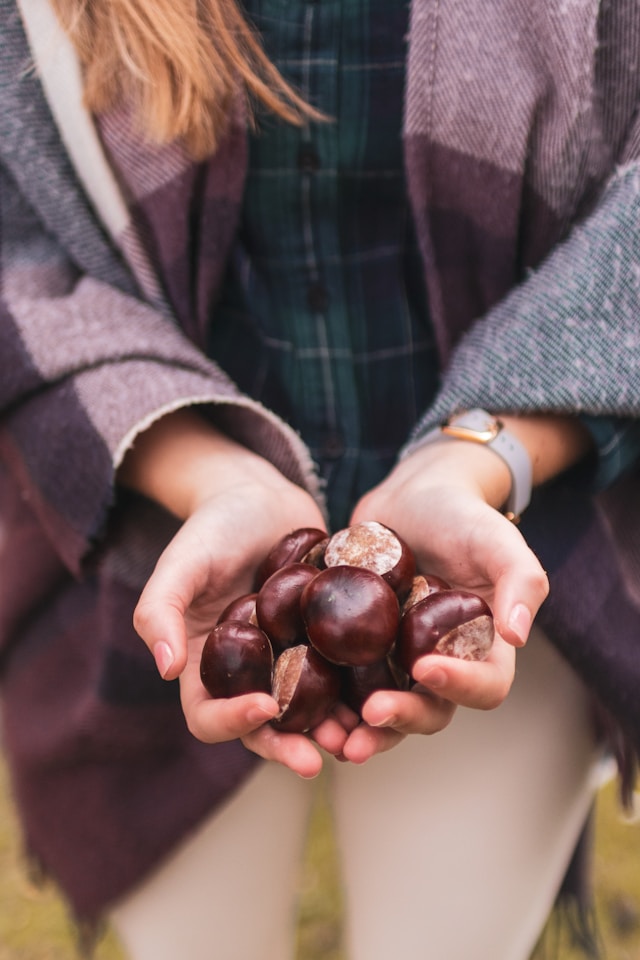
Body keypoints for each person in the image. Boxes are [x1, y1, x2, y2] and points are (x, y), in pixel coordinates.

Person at [1, 0, 640, 957]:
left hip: (520, 533)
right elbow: (18, 252)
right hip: (155, 542)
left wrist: (484, 457)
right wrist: (208, 472)